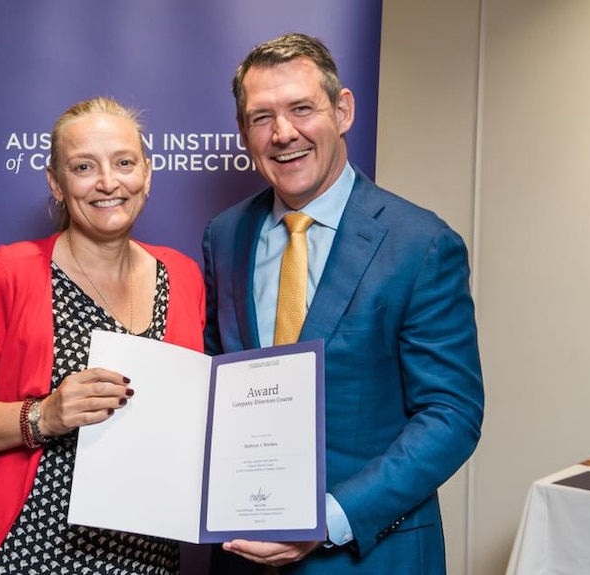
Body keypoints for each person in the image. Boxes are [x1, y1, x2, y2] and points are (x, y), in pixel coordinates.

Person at [202, 32, 484, 574]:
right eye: (262, 117)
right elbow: (219, 381)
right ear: (244, 133)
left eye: (301, 108)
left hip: (371, 554)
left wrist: (328, 519)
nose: (284, 134)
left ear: (343, 110)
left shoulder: (420, 244)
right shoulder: (225, 235)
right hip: (244, 556)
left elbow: (452, 414)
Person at [0, 96, 205, 575]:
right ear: (56, 183)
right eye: (83, 166)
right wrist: (45, 416)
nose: (107, 182)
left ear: (148, 174)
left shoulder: (183, 275)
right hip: (33, 550)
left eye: (124, 162)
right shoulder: (7, 273)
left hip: (149, 553)